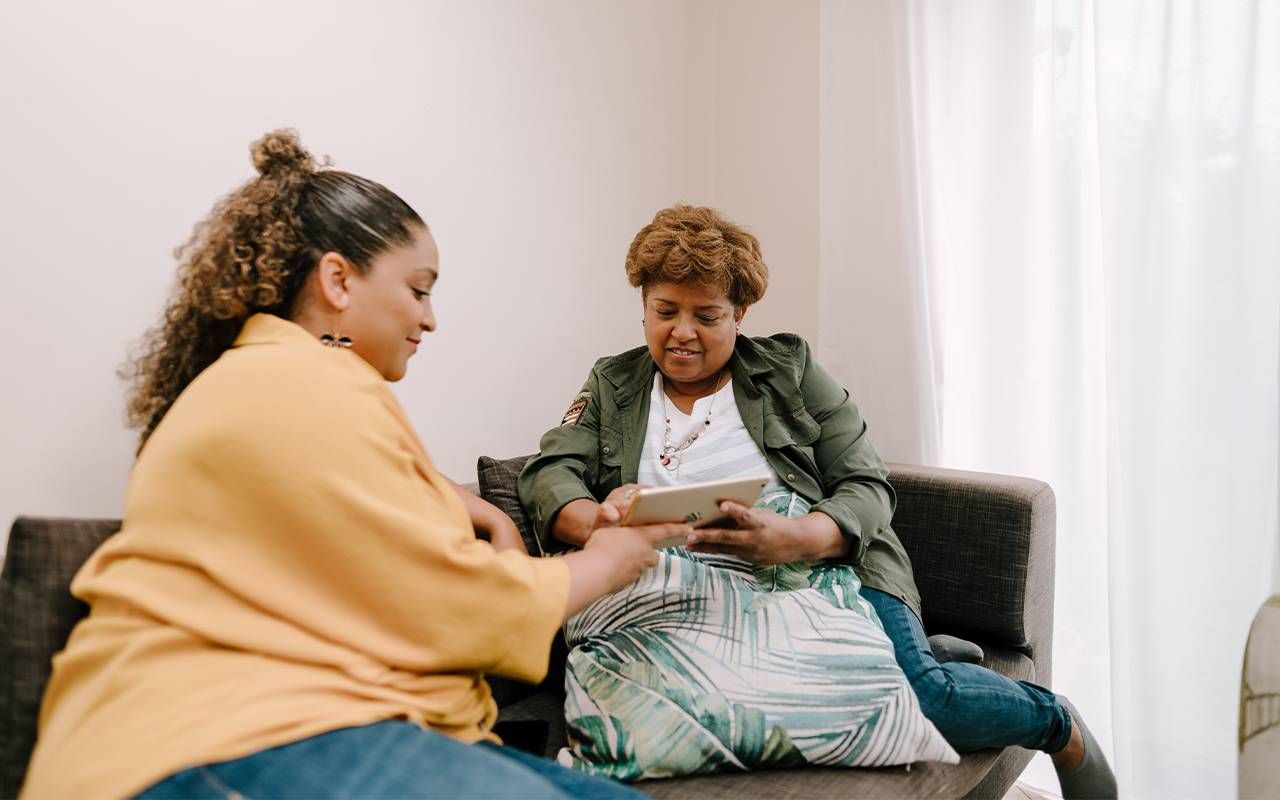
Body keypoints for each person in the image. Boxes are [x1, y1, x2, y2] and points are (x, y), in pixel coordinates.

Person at [20, 131, 690, 800]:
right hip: (216, 735)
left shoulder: (288, 381)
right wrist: (607, 560)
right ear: (338, 280)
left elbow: (370, 534)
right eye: (418, 290)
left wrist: (474, 511)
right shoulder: (299, 384)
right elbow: (448, 604)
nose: (429, 320)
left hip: (309, 724)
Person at [517, 204, 1117, 799]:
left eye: (707, 315)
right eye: (664, 311)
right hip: (679, 583)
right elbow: (552, 471)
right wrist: (596, 517)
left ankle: (1057, 723)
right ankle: (915, 646)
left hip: (821, 566)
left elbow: (867, 483)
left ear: (740, 313)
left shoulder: (790, 369)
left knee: (927, 699)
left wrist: (797, 536)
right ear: (643, 305)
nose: (682, 332)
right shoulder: (612, 383)